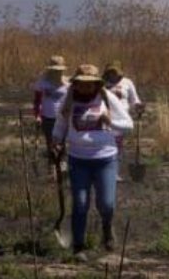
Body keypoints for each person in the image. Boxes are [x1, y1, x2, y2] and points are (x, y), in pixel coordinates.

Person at [52, 64, 133, 261]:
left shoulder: (107, 98)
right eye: (81, 84)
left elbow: (128, 125)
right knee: (80, 204)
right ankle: (78, 248)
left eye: (90, 84)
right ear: (76, 84)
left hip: (105, 158)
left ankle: (107, 227)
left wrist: (110, 122)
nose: (86, 88)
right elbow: (60, 124)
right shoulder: (68, 99)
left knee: (106, 204)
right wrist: (56, 142)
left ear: (97, 84)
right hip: (78, 159)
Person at [103, 61, 146, 180]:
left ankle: (114, 171)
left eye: (115, 72)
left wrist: (138, 106)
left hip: (121, 119)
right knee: (107, 145)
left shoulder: (127, 83)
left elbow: (134, 99)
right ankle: (106, 171)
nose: (113, 74)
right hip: (106, 118)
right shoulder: (102, 84)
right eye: (110, 72)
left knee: (118, 145)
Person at [31, 55, 70, 179]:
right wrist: (37, 116)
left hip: (63, 117)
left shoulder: (67, 83)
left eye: (59, 70)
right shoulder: (42, 82)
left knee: (62, 142)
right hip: (47, 117)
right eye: (54, 70)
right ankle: (52, 168)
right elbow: (37, 101)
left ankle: (62, 168)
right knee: (50, 143)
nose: (56, 72)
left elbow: (70, 100)